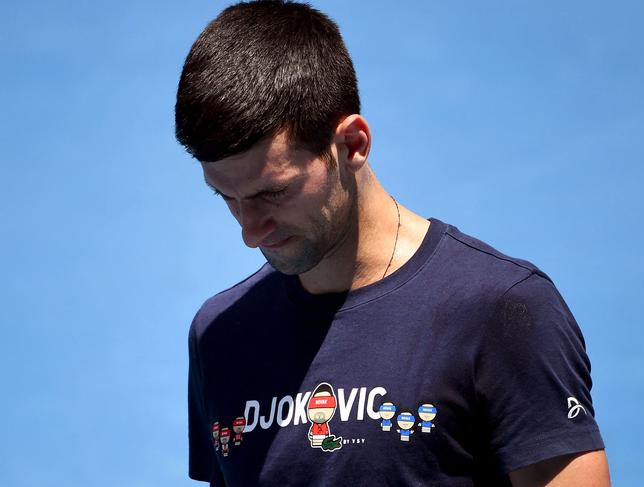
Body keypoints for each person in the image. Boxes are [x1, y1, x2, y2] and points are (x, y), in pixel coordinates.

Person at [175, 1, 611, 485]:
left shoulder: (502, 310)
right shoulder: (219, 334)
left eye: (273, 192)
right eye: (227, 197)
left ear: (353, 144)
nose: (249, 230)